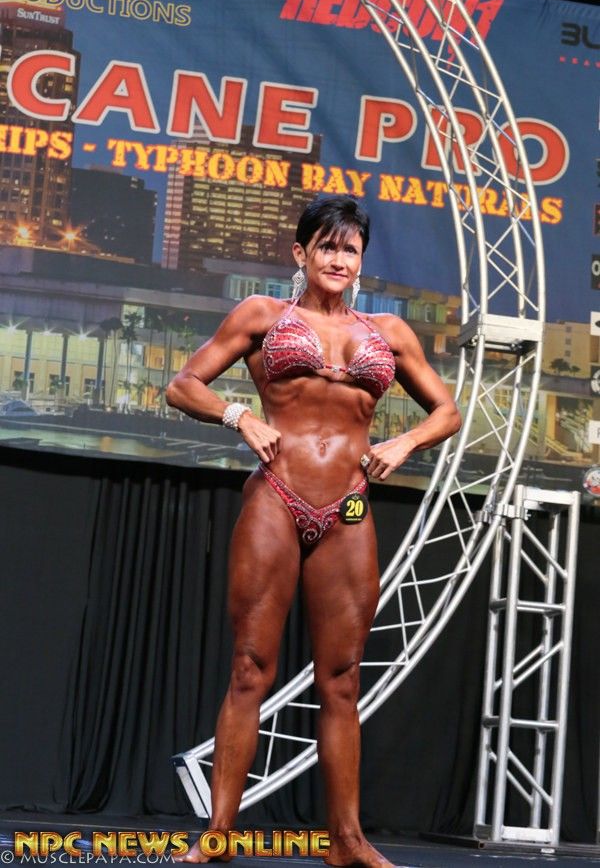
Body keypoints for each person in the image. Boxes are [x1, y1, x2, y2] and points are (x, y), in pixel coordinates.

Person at [166, 195, 461, 866]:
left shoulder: (388, 331)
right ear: (300, 254)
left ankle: (346, 840)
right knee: (251, 667)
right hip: (276, 495)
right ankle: (219, 833)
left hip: (349, 507)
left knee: (343, 678)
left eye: (349, 249)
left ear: (361, 262)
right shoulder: (264, 316)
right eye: (326, 246)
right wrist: (240, 416)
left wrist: (406, 442)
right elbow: (183, 385)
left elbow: (447, 410)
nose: (337, 259)